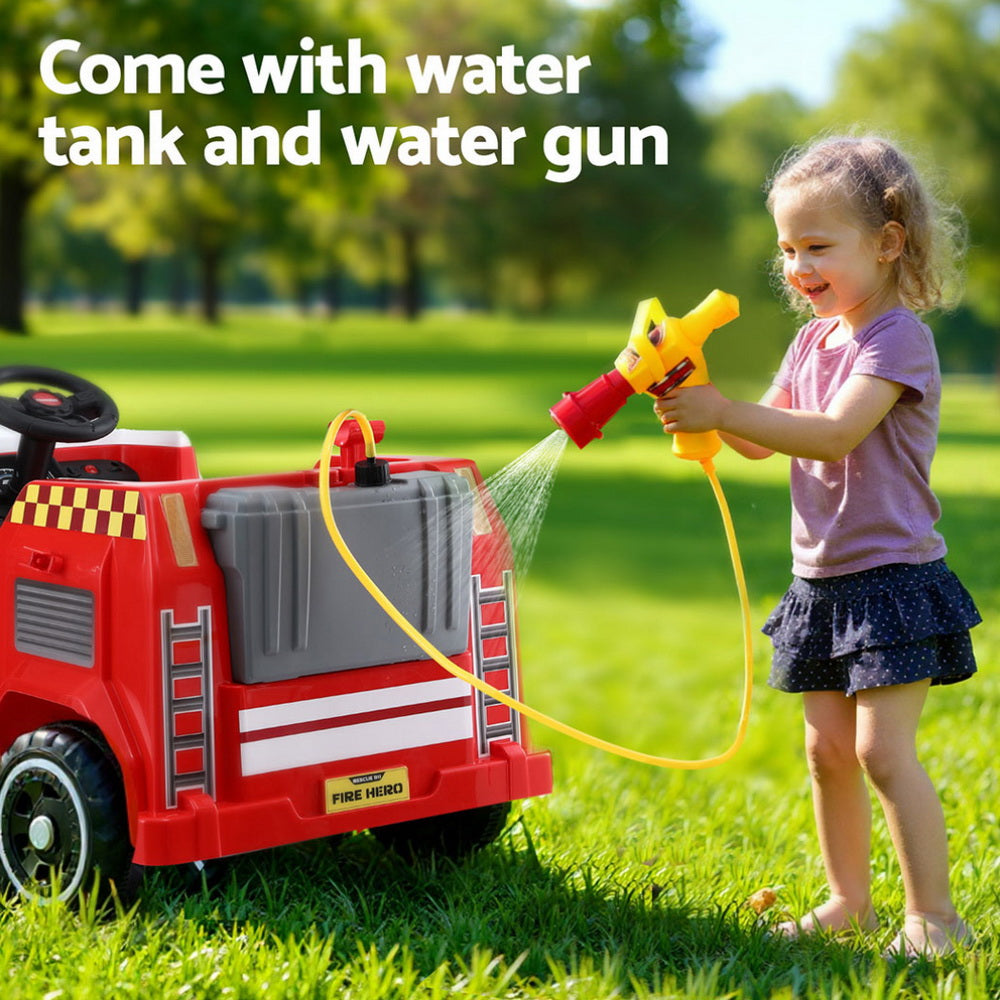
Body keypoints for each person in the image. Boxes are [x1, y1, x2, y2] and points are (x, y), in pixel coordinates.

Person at [654, 134, 981, 959]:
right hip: (822, 582)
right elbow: (768, 442)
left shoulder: (896, 339)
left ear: (887, 242)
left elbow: (833, 435)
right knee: (827, 750)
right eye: (787, 248)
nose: (798, 266)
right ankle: (849, 902)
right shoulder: (812, 341)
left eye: (817, 246)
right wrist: (699, 398)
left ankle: (935, 918)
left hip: (893, 578)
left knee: (879, 750)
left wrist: (723, 411)